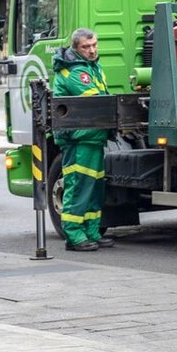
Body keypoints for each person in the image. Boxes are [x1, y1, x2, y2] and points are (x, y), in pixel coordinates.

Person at [52, 28, 115, 252]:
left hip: (92, 138)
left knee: (94, 188)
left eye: (94, 45)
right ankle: (74, 235)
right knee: (79, 187)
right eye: (86, 47)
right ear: (75, 48)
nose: (92, 50)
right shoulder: (76, 73)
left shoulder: (92, 67)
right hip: (79, 140)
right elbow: (96, 99)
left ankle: (91, 231)